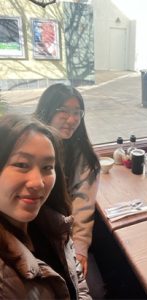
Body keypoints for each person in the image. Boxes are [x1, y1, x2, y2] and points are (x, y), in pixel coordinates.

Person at [0, 114, 91, 299]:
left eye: (47, 167)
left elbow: (79, 283)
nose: (38, 183)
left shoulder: (53, 222)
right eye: (22, 164)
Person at [34, 83, 103, 297]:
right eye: (63, 111)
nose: (71, 119)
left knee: (95, 290)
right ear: (47, 110)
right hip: (34, 234)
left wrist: (80, 247)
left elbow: (83, 205)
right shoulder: (30, 145)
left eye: (77, 113)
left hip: (64, 236)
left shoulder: (82, 155)